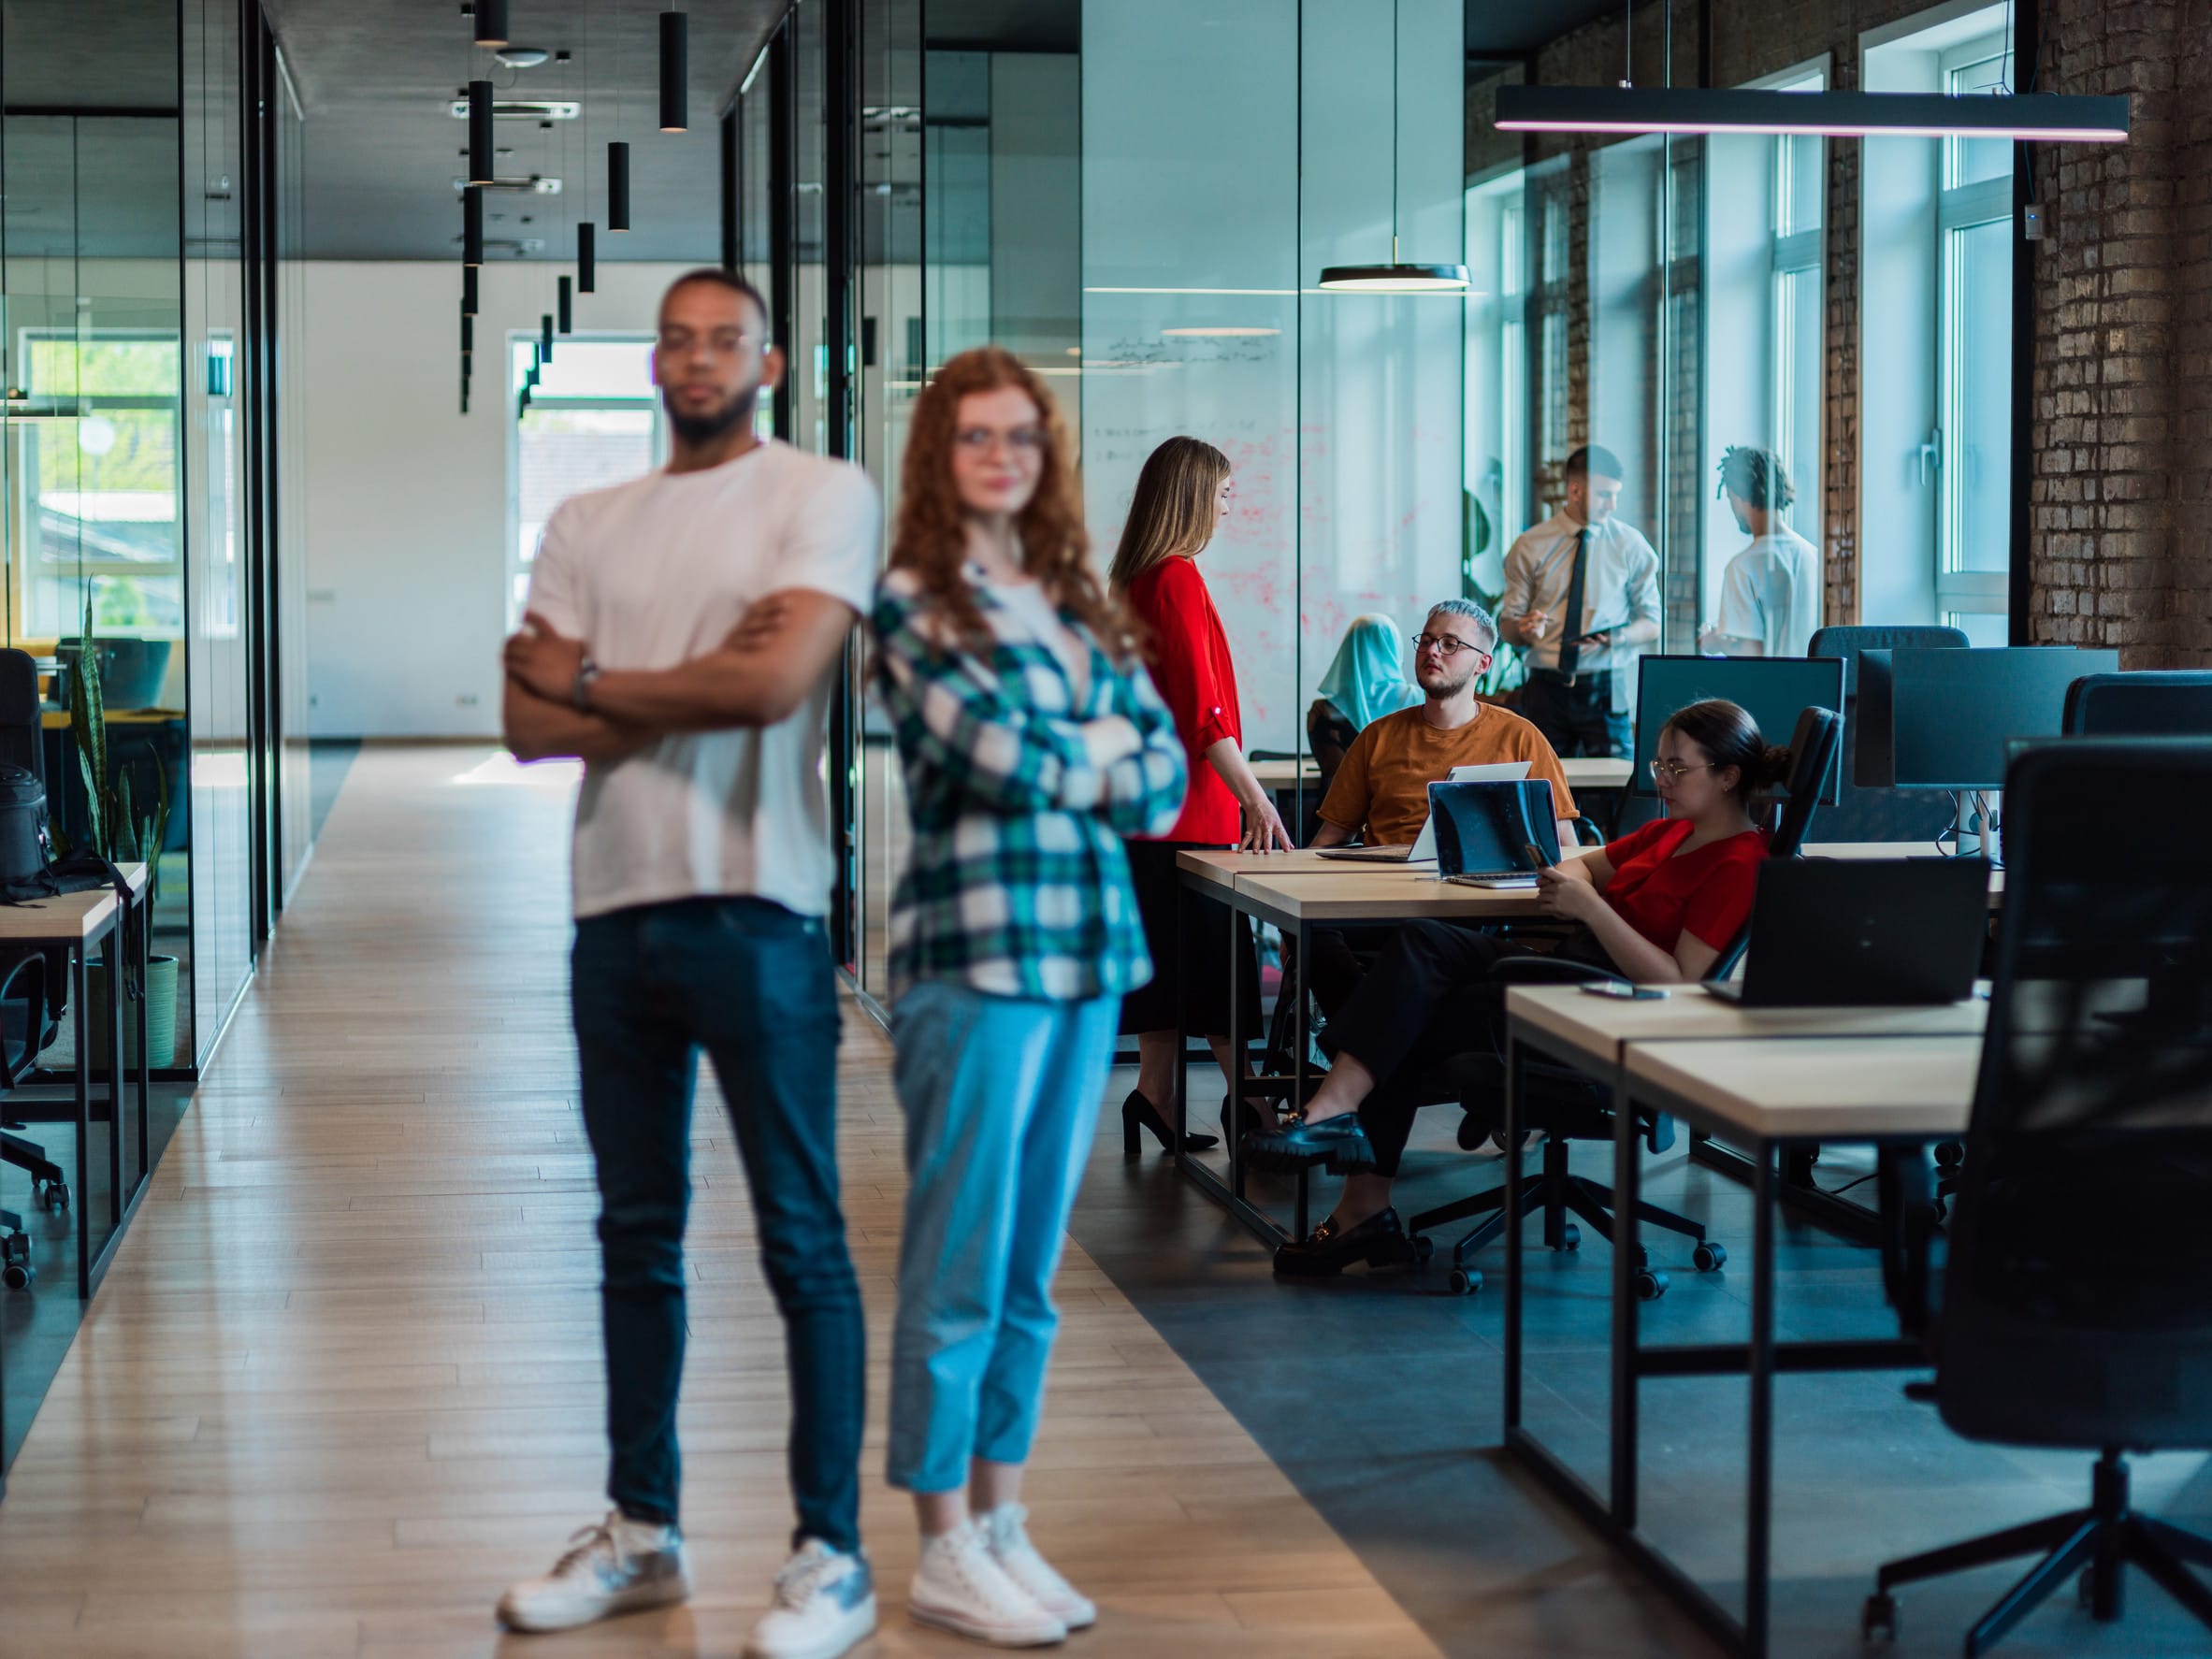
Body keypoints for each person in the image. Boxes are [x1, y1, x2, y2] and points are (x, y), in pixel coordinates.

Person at [495, 269, 883, 1659]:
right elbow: (519, 724)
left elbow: (775, 688)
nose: (700, 357)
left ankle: (829, 1554)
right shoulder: (589, 517)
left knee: (801, 1239)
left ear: (766, 362)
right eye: (677, 338)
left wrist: (593, 679)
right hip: (612, 915)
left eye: (727, 338)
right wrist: (679, 681)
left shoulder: (819, 494)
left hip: (761, 913)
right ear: (651, 362)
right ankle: (642, 1530)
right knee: (632, 1232)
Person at [872, 347, 1186, 1646]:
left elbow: (1162, 777)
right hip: (975, 958)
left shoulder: (1071, 598)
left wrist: (1099, 753)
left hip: (1085, 957)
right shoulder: (911, 599)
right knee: (958, 1260)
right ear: (939, 457)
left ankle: (1002, 1520)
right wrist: (1096, 750)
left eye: (1021, 436)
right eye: (974, 436)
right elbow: (994, 760)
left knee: (1031, 1271)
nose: (1002, 456)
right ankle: (942, 1539)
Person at [1246, 700, 1783, 1277]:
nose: (1662, 781)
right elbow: (1577, 865)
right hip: (1567, 975)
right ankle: (1344, 1140)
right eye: (1658, 766)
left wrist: (1592, 911)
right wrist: (1578, 891)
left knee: (1403, 1006)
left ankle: (1355, 1188)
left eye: (1678, 769)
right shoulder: (1670, 834)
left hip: (1608, 1010)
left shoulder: (1737, 864)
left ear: (1729, 776)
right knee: (1421, 950)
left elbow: (1680, 985)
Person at [1109, 436, 1291, 1158]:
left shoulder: (1136, 580)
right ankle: (1250, 1109)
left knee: (1169, 965)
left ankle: (1154, 1094)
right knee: (1220, 967)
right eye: (1219, 493)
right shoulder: (1175, 577)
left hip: (1147, 815)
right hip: (1190, 813)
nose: (1226, 505)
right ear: (1189, 497)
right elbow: (1205, 714)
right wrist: (1256, 797)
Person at [1310, 599, 1580, 854]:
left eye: (1450, 644)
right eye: (1425, 641)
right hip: (1389, 891)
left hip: (1488, 892)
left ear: (1483, 663)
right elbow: (1331, 837)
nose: (1432, 651)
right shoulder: (1376, 738)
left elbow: (1564, 844)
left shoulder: (1521, 738)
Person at [1500, 443, 1661, 758]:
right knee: (1541, 787)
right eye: (1604, 495)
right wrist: (1523, 630)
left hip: (1606, 687)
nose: (1613, 505)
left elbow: (1653, 622)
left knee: (1615, 792)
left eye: (1617, 494)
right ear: (1575, 491)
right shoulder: (1530, 545)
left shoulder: (1631, 545)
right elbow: (1507, 626)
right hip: (1546, 689)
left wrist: (1618, 637)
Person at [1699, 446, 1820, 658]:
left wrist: (1715, 642)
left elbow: (1752, 652)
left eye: (1730, 498)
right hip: (1817, 684)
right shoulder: (1814, 555)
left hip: (1771, 685)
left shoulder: (1742, 566)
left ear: (1739, 496)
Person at [1307, 613, 1422, 781]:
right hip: (1407, 805)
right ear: (1394, 648)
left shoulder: (1324, 712)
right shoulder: (1420, 700)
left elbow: (1336, 777)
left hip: (1341, 807)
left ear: (1347, 651)